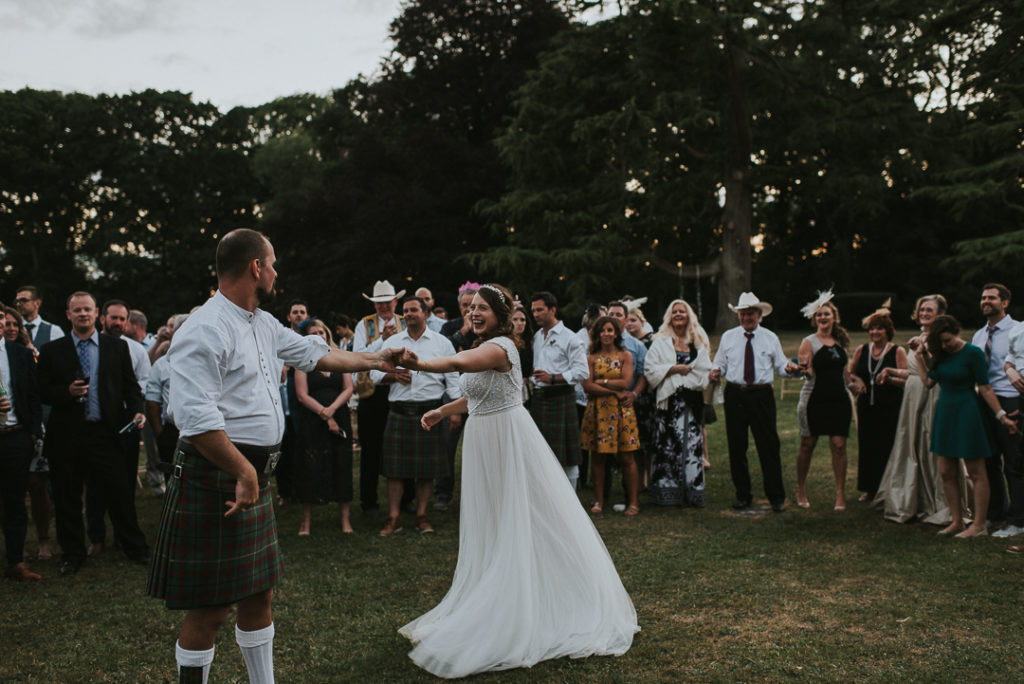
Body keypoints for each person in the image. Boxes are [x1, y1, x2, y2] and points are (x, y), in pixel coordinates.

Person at [146, 229, 404, 684]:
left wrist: (376, 359)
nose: (277, 271)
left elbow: (316, 354)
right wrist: (244, 471)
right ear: (256, 268)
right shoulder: (204, 328)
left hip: (249, 476)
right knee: (210, 610)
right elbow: (195, 417)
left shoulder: (260, 322)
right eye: (274, 262)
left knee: (258, 596)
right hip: (217, 474)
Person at [397, 283, 638, 678]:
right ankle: (494, 593)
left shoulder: (502, 347)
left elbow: (460, 365)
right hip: (482, 439)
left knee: (524, 519)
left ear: (500, 315)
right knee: (491, 522)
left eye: (483, 309)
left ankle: (534, 601)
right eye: (471, 307)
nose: (474, 313)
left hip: (507, 440)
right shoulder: (483, 348)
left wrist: (420, 364)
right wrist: (443, 409)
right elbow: (478, 394)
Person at [37, 291, 150, 576]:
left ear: (96, 313)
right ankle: (72, 554)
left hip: (106, 433)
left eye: (87, 310)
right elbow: (40, 390)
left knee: (120, 492)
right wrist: (66, 392)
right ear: (68, 315)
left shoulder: (116, 347)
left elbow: (131, 388)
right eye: (77, 310)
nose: (83, 314)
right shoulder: (54, 350)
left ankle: (134, 547)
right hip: (68, 436)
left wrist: (138, 410)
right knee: (67, 498)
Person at [913, 315, 1016, 537]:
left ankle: (979, 525)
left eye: (947, 341)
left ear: (956, 332)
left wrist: (1001, 416)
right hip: (946, 413)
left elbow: (986, 388)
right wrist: (920, 356)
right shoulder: (940, 354)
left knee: (976, 470)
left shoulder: (973, 354)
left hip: (968, 412)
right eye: (939, 342)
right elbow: (929, 382)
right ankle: (957, 520)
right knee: (946, 471)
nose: (944, 345)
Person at [372, 297, 461, 535]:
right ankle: (393, 517)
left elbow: (452, 379)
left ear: (425, 313)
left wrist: (454, 411)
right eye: (405, 311)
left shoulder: (441, 343)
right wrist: (393, 376)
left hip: (430, 411)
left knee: (426, 470)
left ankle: (422, 515)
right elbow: (373, 374)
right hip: (399, 411)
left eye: (413, 310)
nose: (409, 314)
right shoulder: (392, 342)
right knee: (395, 470)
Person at [874, 294, 964, 525]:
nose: (924, 313)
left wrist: (922, 351)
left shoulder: (939, 340)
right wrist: (893, 373)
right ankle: (914, 498)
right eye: (922, 309)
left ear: (940, 314)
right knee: (911, 444)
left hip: (931, 396)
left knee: (928, 445)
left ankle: (936, 501)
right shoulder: (922, 337)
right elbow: (915, 373)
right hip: (913, 397)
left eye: (929, 310)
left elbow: (934, 373)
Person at [709, 292, 798, 512]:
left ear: (759, 315)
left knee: (768, 446)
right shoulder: (728, 337)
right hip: (736, 394)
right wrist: (715, 372)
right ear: (738, 315)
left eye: (750, 313)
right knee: (737, 447)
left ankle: (776, 496)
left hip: (761, 395)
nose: (746, 317)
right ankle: (742, 495)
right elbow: (719, 363)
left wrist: (789, 369)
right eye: (743, 313)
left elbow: (780, 366)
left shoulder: (770, 338)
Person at [85, 299, 153, 557]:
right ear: (102, 318)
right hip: (96, 420)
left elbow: (142, 381)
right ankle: (97, 536)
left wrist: (133, 407)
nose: (117, 323)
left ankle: (124, 536)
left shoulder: (134, 349)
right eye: (112, 318)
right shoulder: (90, 346)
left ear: (127, 322)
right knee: (94, 483)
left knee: (124, 481)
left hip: (126, 419)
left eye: (122, 319)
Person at [644, 299, 712, 507]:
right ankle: (666, 492)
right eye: (675, 312)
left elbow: (704, 368)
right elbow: (650, 369)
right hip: (668, 403)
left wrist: (699, 376)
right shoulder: (661, 341)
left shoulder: (697, 340)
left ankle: (692, 491)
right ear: (669, 317)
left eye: (682, 311)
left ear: (688, 314)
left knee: (691, 446)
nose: (678, 315)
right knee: (667, 445)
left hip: (691, 401)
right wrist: (673, 369)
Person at [971, 284, 1024, 537]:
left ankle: (1018, 520)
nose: (985, 301)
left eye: (991, 298)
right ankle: (995, 514)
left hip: (1012, 400)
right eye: (983, 298)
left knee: (1014, 462)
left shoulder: (1018, 330)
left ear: (1005, 303)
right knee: (989, 460)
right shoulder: (979, 335)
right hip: (984, 402)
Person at [293, 319, 355, 536]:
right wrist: (324, 414)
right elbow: (302, 395)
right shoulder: (303, 361)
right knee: (311, 465)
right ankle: (306, 522)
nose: (319, 334)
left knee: (342, 463)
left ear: (328, 335)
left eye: (322, 331)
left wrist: (332, 410)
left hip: (340, 414)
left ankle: (345, 520)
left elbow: (349, 388)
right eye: (314, 332)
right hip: (313, 419)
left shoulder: (339, 358)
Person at [352, 279, 407, 519]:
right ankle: (369, 502)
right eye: (379, 303)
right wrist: (382, 339)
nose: (384, 307)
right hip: (372, 394)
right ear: (374, 305)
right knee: (371, 450)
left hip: (400, 393)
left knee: (402, 448)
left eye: (387, 302)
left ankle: (406, 499)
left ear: (396, 302)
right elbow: (357, 356)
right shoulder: (364, 325)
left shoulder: (406, 322)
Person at [794, 292, 853, 511]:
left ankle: (840, 494)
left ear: (834, 317)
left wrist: (854, 384)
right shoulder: (808, 342)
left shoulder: (841, 342)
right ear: (815, 319)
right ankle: (800, 488)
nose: (823, 318)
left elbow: (844, 372)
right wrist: (805, 370)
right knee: (807, 444)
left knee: (839, 446)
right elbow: (807, 372)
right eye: (819, 315)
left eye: (826, 314)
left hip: (839, 400)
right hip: (814, 400)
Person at [4, 305, 51, 560]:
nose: (9, 327)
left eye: (14, 324)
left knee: (36, 484)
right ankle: (15, 547)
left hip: (27, 429)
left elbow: (35, 395)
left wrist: (34, 430)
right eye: (5, 322)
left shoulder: (27, 354)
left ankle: (40, 542)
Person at [580, 316, 640, 515]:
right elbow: (587, 385)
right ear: (597, 334)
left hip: (621, 411)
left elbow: (626, 383)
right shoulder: (590, 358)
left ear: (616, 333)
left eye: (609, 330)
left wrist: (601, 381)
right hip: (598, 411)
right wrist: (613, 390)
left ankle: (633, 502)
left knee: (626, 456)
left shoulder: (625, 356)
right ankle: (598, 501)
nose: (606, 334)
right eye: (602, 331)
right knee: (598, 457)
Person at [530, 291, 589, 489]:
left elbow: (582, 371)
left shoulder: (570, 338)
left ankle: (571, 495)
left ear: (552, 310)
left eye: (540, 310)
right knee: (542, 452)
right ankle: (548, 494)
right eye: (533, 310)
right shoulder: (537, 336)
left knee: (568, 455)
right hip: (540, 399)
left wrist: (554, 378)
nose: (536, 314)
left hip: (561, 397)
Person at [848, 307, 907, 502]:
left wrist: (890, 379)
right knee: (868, 446)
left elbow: (908, 379)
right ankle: (869, 488)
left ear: (887, 331)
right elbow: (850, 373)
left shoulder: (897, 351)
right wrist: (857, 381)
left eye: (879, 328)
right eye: (872, 328)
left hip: (890, 406)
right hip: (867, 406)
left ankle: (889, 487)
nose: (875, 332)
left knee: (888, 446)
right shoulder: (862, 350)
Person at [1, 319, 43, 580]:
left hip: (15, 438)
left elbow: (33, 395)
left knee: (15, 501)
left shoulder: (21, 354)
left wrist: (32, 434)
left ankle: (15, 561)